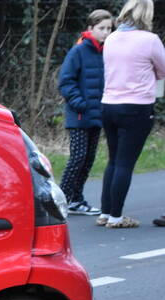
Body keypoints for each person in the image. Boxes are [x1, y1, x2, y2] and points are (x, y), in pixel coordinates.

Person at [96, 0, 165, 228]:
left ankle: (105, 212)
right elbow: (163, 69)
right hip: (136, 107)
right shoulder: (150, 40)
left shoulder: (112, 38)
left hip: (109, 104)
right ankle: (116, 217)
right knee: (126, 163)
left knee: (113, 160)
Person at [58, 9, 114, 216]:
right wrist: (79, 103)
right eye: (101, 28)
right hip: (79, 115)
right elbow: (65, 81)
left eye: (109, 28)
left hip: (98, 114)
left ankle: (77, 199)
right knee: (77, 158)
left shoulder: (108, 50)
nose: (106, 33)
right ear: (90, 28)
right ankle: (61, 201)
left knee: (88, 159)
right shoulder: (79, 50)